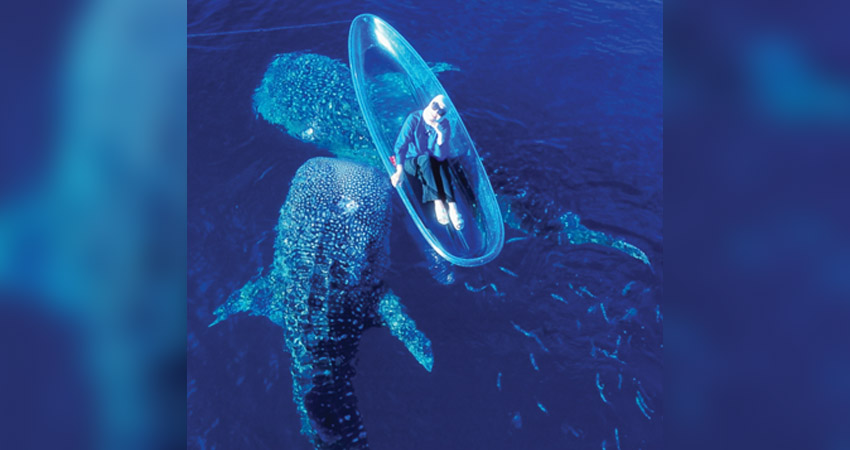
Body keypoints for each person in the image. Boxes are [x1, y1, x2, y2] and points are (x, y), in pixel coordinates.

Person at [390, 94, 464, 230]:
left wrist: (441, 136)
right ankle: (438, 202)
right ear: (430, 103)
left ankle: (452, 206)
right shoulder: (414, 119)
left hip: (430, 160)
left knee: (442, 163)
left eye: (441, 111)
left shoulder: (444, 126)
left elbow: (440, 156)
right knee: (426, 159)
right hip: (410, 160)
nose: (436, 112)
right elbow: (401, 146)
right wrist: (399, 170)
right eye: (435, 105)